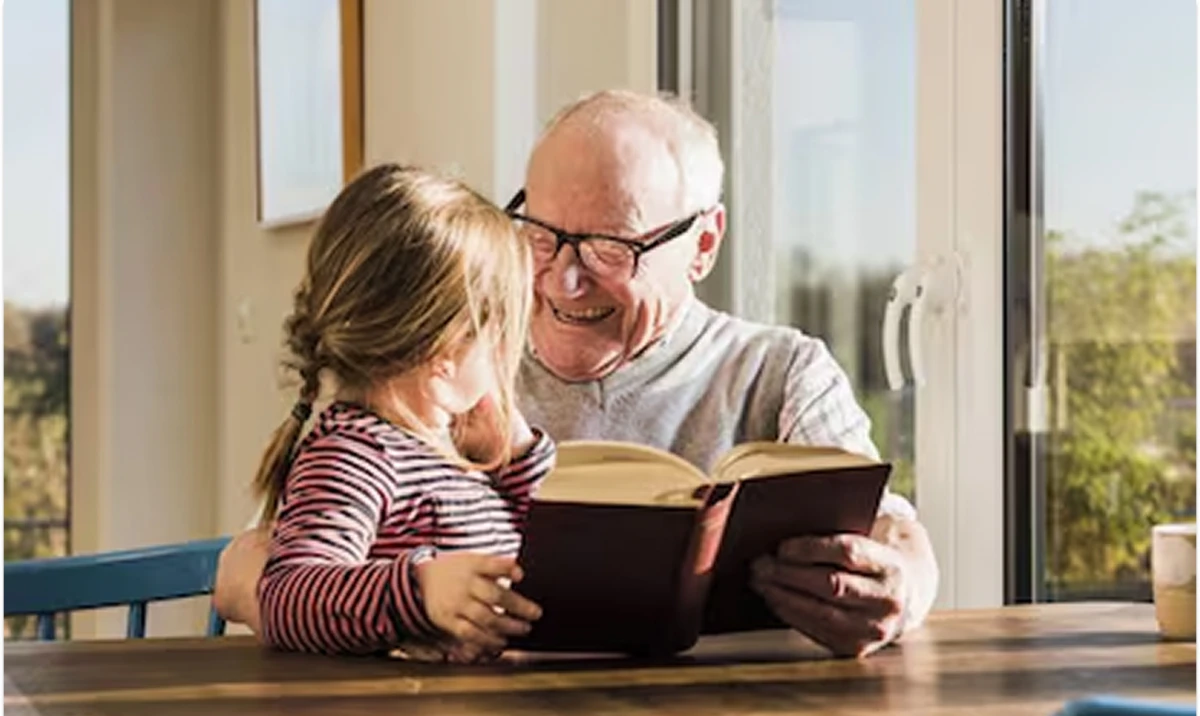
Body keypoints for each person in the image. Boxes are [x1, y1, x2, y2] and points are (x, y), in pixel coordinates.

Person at [215, 90, 940, 658]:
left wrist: (899, 589)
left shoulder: (780, 370)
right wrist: (406, 600)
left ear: (702, 244)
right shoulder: (456, 356)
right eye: (543, 234)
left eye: (607, 247)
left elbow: (897, 538)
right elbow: (261, 571)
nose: (562, 281)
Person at [248, 164, 555, 658]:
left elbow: (544, 560)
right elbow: (287, 598)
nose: (507, 359)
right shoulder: (356, 454)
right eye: (499, 338)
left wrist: (518, 457)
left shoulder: (450, 450)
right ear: (444, 353)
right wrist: (420, 591)